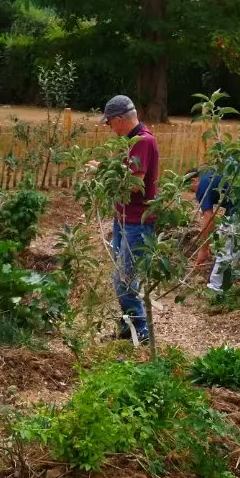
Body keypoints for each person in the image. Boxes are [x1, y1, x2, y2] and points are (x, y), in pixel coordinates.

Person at [101, 94, 159, 343]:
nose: (109, 128)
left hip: (138, 221)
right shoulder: (130, 142)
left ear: (119, 119)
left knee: (124, 277)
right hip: (124, 218)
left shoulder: (143, 142)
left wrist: (105, 174)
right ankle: (129, 327)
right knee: (120, 276)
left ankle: (142, 331)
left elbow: (135, 184)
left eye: (109, 123)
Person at [192, 162, 240, 293]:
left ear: (194, 180)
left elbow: (209, 218)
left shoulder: (204, 182)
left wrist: (203, 249)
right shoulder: (217, 169)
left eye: (191, 189)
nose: (195, 194)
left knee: (228, 244)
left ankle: (216, 290)